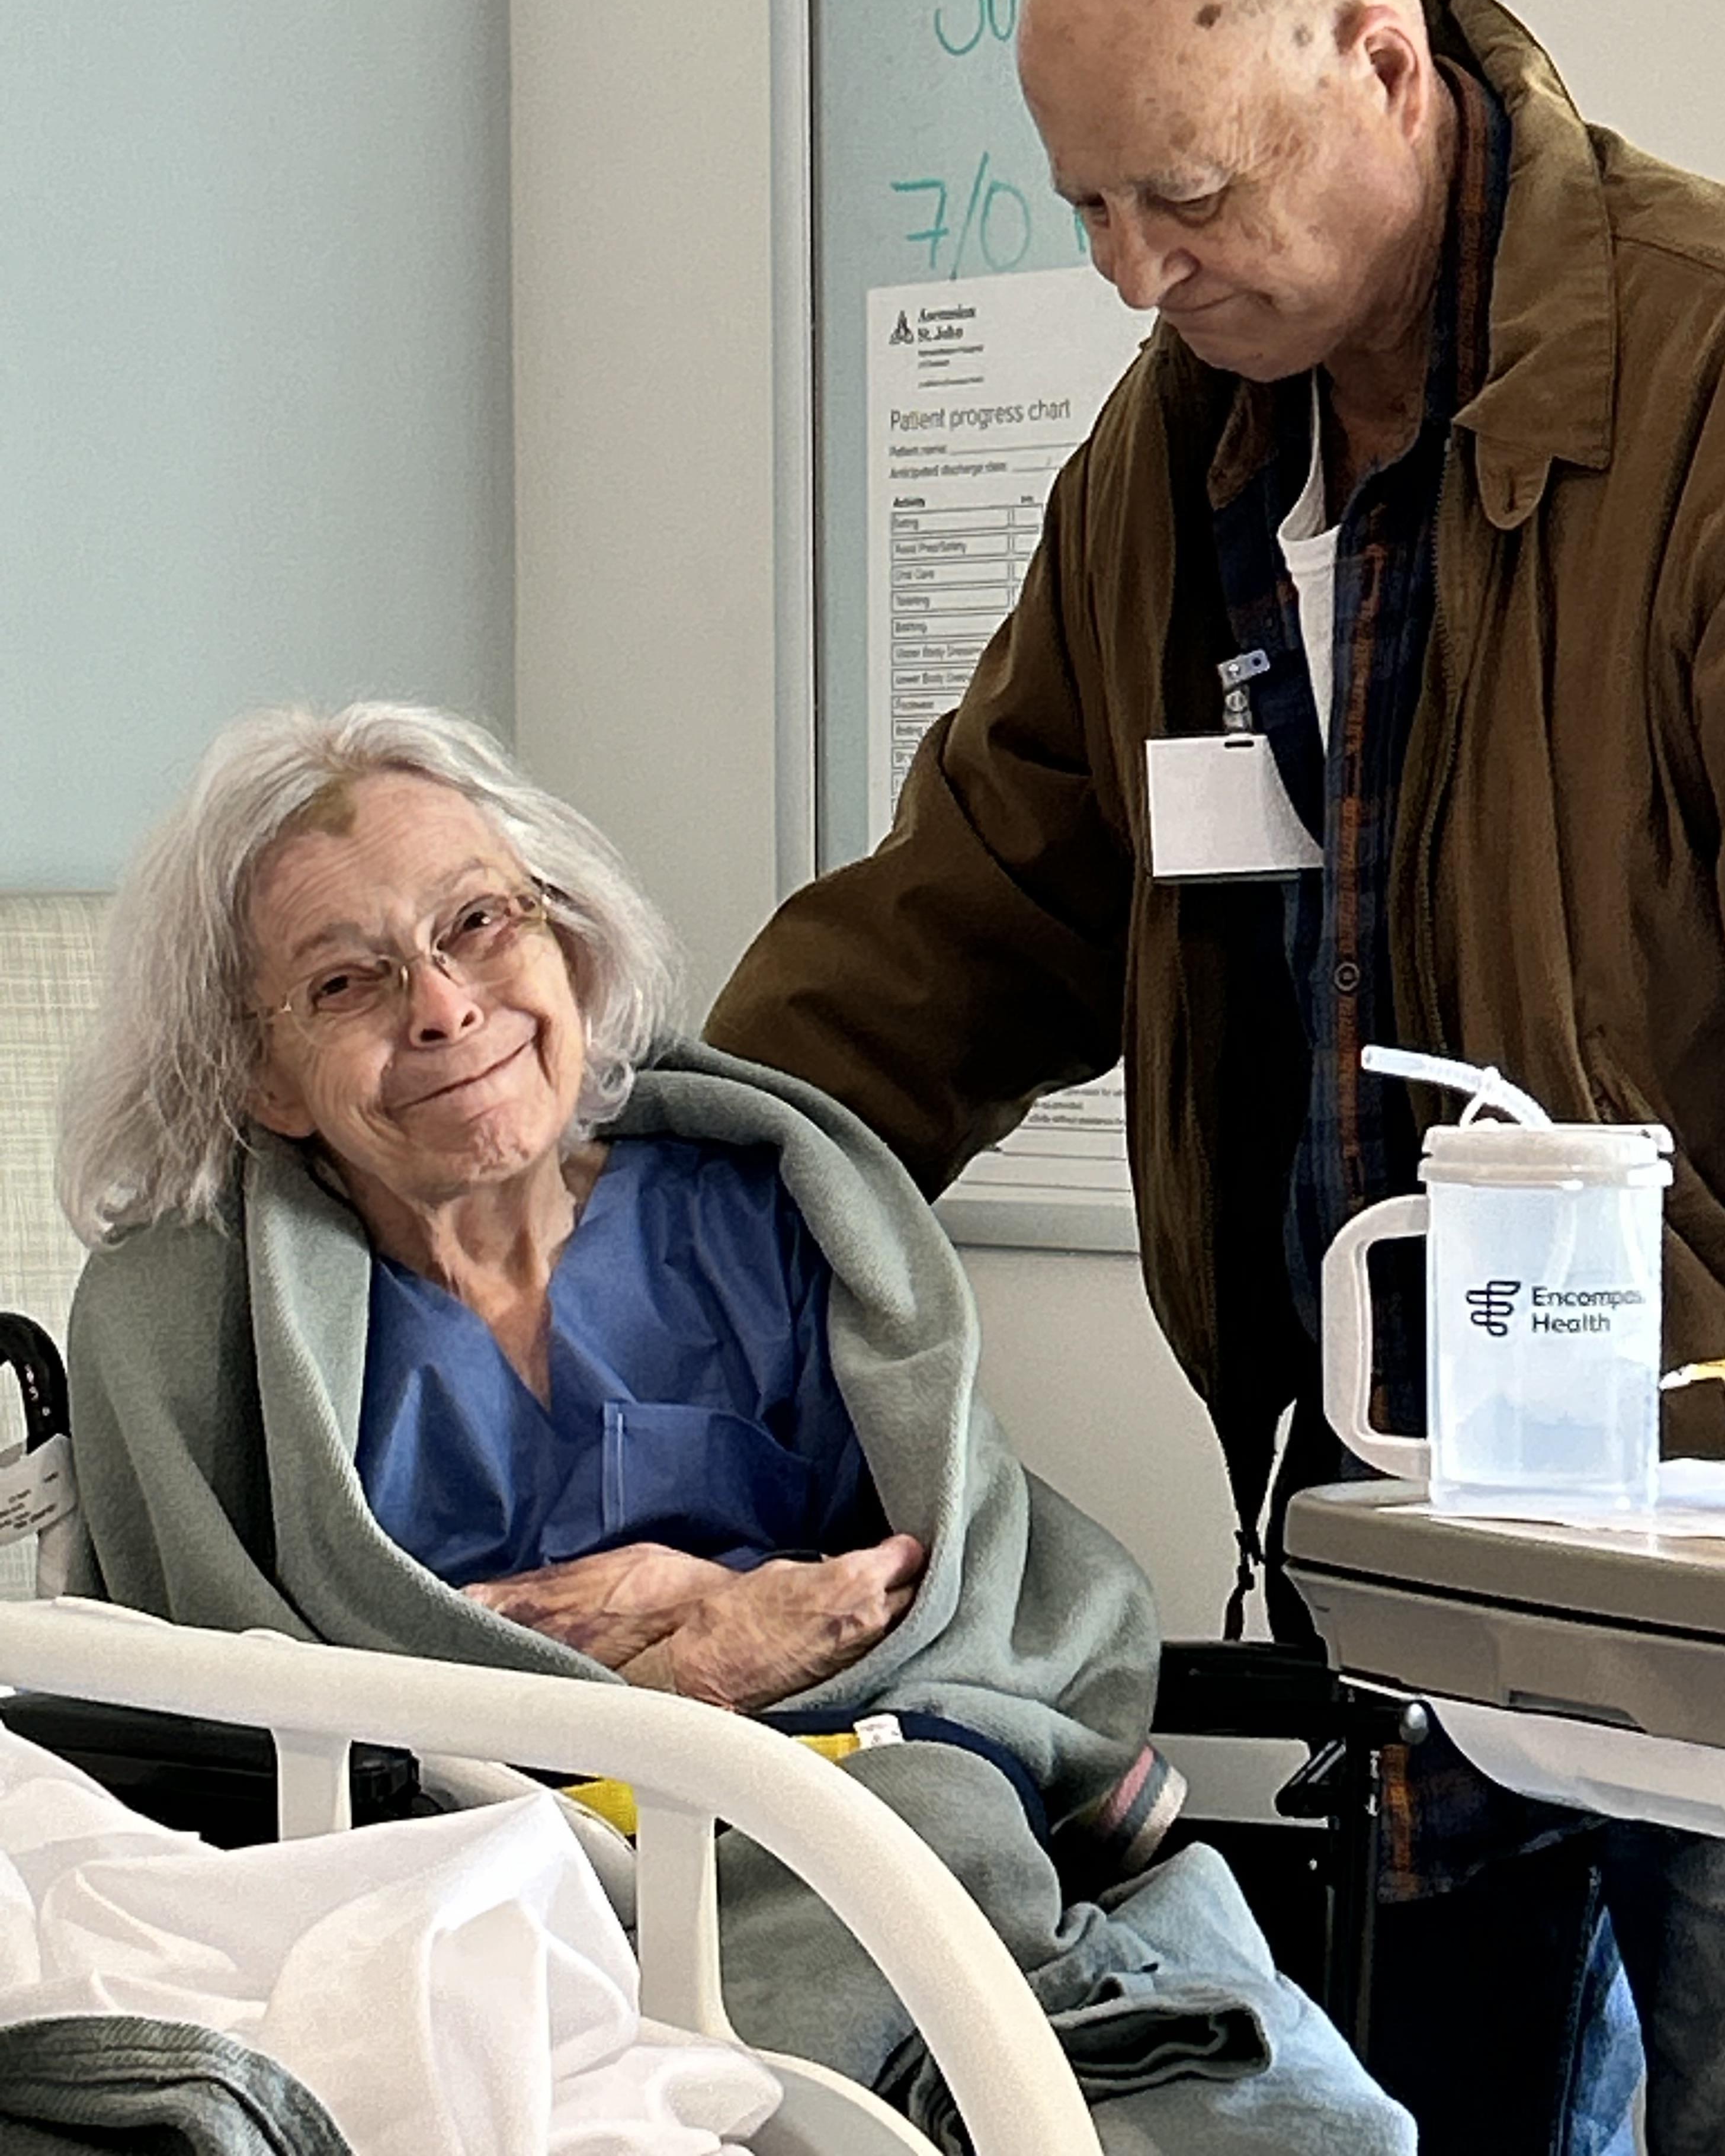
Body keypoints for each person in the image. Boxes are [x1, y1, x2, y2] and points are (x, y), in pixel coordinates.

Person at [704, 0, 1725, 2156]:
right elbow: (980, 901)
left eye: (1176, 195)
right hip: (1390, 1558)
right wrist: (652, 1217)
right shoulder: (1182, 458)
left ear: (1377, 64)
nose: (1125, 267)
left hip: (1720, 1585)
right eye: (1084, 202)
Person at [56, 699, 1415, 2156]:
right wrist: (681, 1682)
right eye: (346, 982)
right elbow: (198, 1732)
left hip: (860, 1823)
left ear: (567, 943)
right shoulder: (185, 1320)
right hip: (483, 1896)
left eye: (479, 925)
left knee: (1256, 2085)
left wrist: (682, 1609)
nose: (444, 1006)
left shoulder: (764, 1210)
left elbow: (929, 1590)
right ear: (262, 1075)